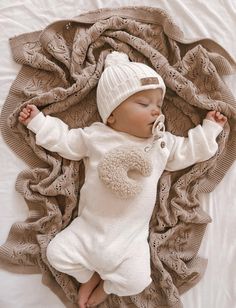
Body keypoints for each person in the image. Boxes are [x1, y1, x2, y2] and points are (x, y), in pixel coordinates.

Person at [18, 51, 227, 308]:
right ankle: (89, 274)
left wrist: (210, 129)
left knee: (138, 281)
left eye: (158, 106)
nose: (155, 111)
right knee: (55, 254)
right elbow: (65, 141)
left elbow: (191, 151)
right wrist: (38, 123)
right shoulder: (97, 136)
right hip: (88, 229)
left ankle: (105, 285)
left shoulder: (161, 144)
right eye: (143, 104)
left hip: (130, 240)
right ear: (112, 114)